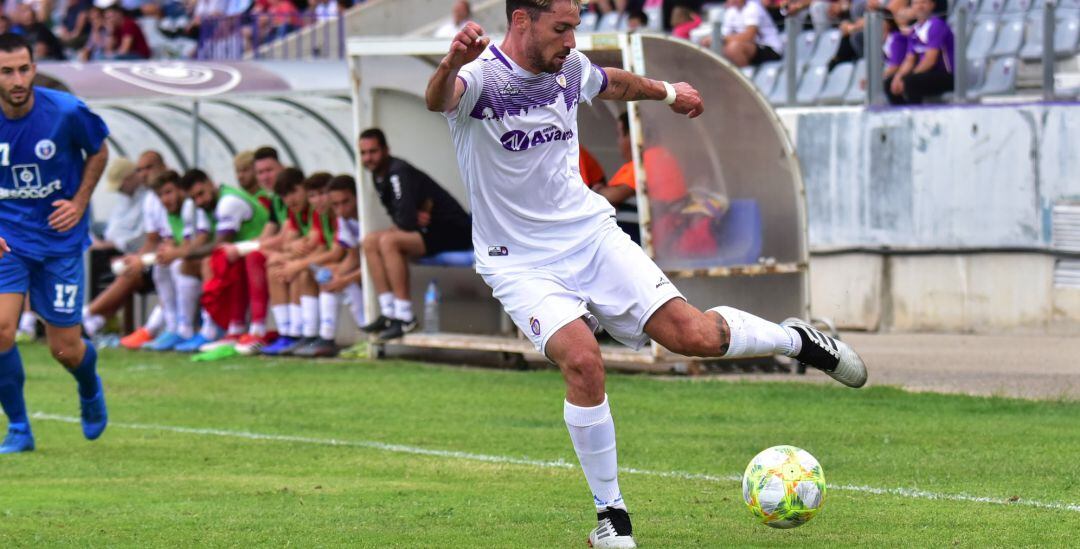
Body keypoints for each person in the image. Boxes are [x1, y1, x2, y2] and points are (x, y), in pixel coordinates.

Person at [424, 4, 867, 547]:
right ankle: (612, 519)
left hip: (590, 237)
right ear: (522, 21)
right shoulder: (478, 78)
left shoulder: (567, 68)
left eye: (574, 29)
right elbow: (439, 100)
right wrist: (449, 63)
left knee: (694, 337)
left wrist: (668, 91)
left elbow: (613, 83)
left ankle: (798, 340)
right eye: (561, 28)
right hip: (518, 260)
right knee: (583, 359)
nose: (570, 40)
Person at [0, 33, 110, 454]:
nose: (17, 79)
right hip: (9, 241)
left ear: (33, 67)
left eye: (23, 69)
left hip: (60, 241)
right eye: (7, 71)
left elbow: (98, 151)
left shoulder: (64, 111)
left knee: (64, 348)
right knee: (1, 330)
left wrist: (80, 201)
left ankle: (88, 383)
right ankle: (19, 428)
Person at [356, 128, 472, 342]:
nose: (368, 158)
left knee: (389, 241)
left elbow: (405, 221)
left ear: (386, 150)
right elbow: (401, 216)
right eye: (363, 153)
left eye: (373, 151)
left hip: (454, 230)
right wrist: (408, 217)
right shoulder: (378, 175)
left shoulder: (397, 171)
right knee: (370, 242)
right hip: (427, 231)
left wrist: (409, 218)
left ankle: (405, 316)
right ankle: (389, 312)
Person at [319, 174, 367, 358]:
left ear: (357, 196)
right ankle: (326, 338)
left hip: (385, 267)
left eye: (345, 202)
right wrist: (335, 274)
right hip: (367, 268)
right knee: (330, 276)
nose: (340, 209)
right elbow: (353, 257)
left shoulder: (369, 215)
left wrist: (345, 279)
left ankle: (368, 337)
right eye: (335, 205)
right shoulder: (343, 218)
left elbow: (372, 262)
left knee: (344, 281)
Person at [887, 0, 953, 105]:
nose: (919, 6)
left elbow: (930, 60)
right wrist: (898, 77)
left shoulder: (937, 25)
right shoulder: (915, 30)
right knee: (889, 83)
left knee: (910, 82)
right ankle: (901, 114)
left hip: (946, 75)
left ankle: (915, 116)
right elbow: (909, 60)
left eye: (923, 2)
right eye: (916, 3)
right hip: (926, 74)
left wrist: (907, 77)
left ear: (932, 5)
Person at [719, 0, 784, 68]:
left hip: (770, 48)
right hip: (750, 47)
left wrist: (722, 39)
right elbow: (723, 34)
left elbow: (749, 36)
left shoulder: (753, 7)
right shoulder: (731, 11)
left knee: (733, 48)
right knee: (711, 44)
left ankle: (743, 76)